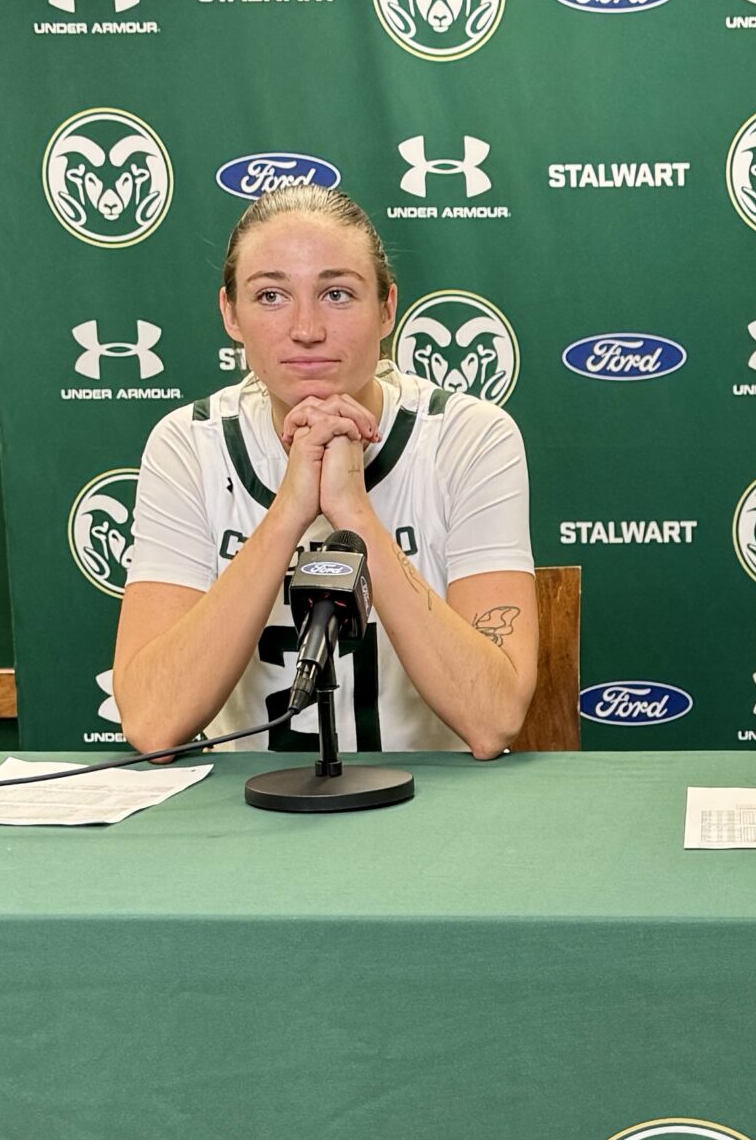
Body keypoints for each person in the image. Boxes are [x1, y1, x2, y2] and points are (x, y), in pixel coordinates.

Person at [113, 185, 537, 758]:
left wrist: (353, 513)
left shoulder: (468, 438)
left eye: (337, 293)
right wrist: (289, 511)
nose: (306, 328)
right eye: (270, 296)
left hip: (433, 816)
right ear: (229, 313)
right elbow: (152, 725)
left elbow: (494, 720)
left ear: (387, 309)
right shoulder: (190, 445)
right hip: (246, 822)